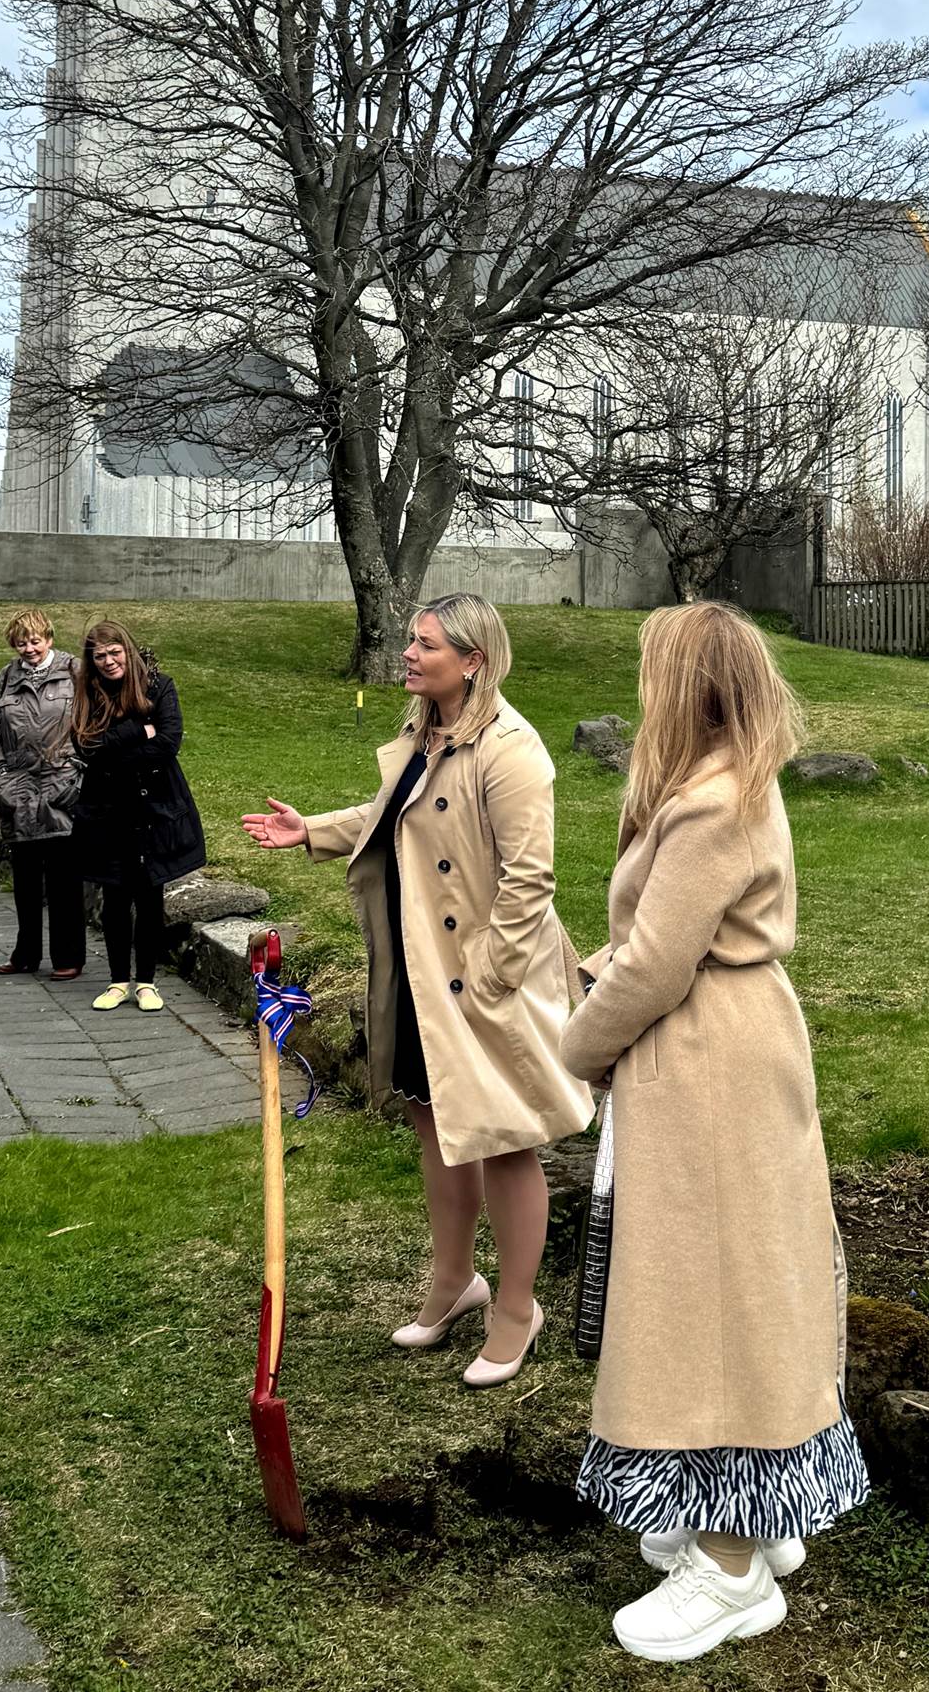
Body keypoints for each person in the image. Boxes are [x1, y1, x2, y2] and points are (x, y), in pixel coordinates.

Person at [557, 601, 869, 1664]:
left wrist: (576, 1045)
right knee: (740, 1281)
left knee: (716, 1292)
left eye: (655, 670)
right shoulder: (728, 780)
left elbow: (654, 961)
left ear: (688, 682)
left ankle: (731, 1564)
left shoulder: (711, 799)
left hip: (709, 1061)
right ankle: (753, 1516)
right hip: (722, 1048)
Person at [243, 594, 591, 1388]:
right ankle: (452, 1282)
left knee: (503, 1137)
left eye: (425, 644)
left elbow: (530, 880)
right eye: (410, 639)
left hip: (482, 980)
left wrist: (492, 984)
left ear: (472, 660)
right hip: (418, 968)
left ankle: (515, 1307)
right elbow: (394, 814)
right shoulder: (422, 730)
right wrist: (315, 832)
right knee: (433, 1119)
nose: (408, 652)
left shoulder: (513, 751)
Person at [69, 620, 203, 1015]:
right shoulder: (88, 693)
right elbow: (86, 744)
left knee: (148, 893)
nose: (109, 662)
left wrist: (116, 751)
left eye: (114, 653)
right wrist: (135, 731)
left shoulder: (158, 686)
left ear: (126, 651)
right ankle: (117, 980)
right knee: (114, 895)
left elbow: (167, 742)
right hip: (107, 808)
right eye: (100, 656)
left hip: (153, 806)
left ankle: (146, 981)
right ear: (91, 661)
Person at [0, 609, 84, 978]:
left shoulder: (76, 672)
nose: (29, 648)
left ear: (50, 639)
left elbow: (93, 722)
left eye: (35, 640)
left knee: (64, 879)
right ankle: (25, 955)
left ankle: (69, 957)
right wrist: (0, 773)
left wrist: (77, 770)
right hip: (19, 789)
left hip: (62, 785)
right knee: (25, 880)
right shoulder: (5, 679)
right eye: (21, 642)